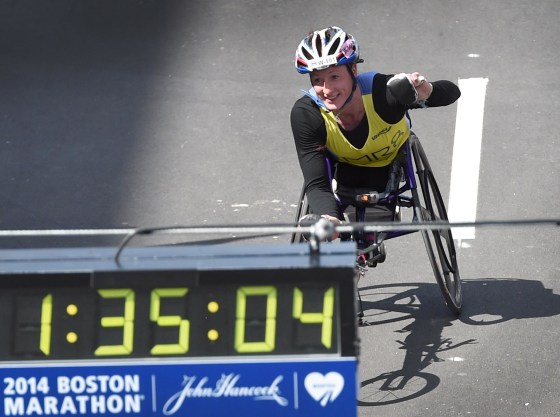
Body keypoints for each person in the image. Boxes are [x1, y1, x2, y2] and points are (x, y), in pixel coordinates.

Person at [291, 26, 461, 239]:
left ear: (353, 70)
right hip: (344, 170)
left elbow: (453, 92)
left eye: (334, 77)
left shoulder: (384, 93)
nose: (327, 90)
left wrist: (427, 91)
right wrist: (329, 218)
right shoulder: (307, 114)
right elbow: (316, 183)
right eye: (317, 80)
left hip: (390, 166)